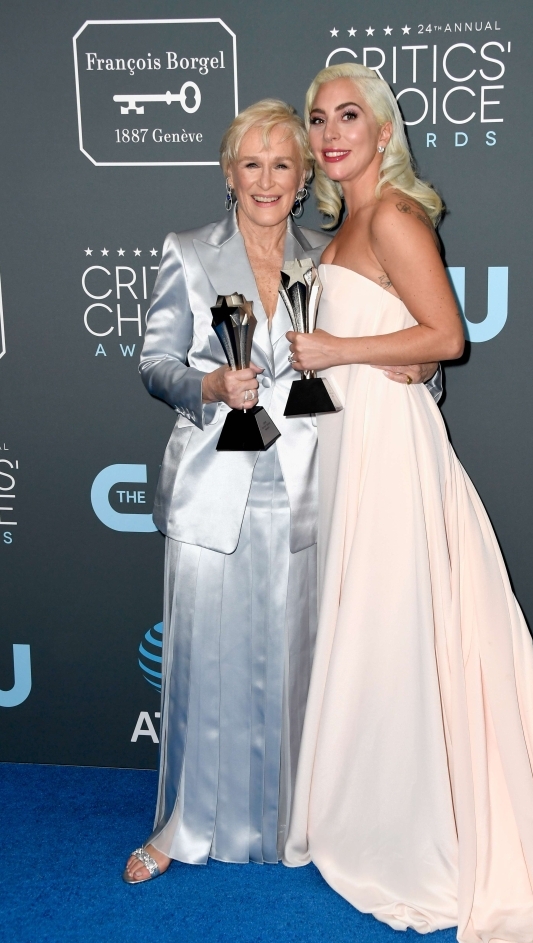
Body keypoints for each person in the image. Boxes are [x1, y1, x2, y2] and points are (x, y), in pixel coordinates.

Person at [283, 64, 533, 943]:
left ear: (382, 131)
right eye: (318, 119)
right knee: (380, 638)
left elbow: (445, 337)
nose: (332, 132)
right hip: (353, 449)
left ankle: (410, 831)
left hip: (393, 458)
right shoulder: (336, 226)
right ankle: (370, 809)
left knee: (404, 633)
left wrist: (340, 349)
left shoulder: (394, 218)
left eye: (350, 116)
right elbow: (404, 345)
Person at [123, 99, 441, 882]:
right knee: (201, 665)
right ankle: (181, 826)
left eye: (282, 164)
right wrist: (205, 383)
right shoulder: (188, 251)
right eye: (251, 163)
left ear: (303, 180)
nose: (266, 180)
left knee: (303, 666)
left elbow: (383, 344)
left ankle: (302, 821)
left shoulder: (327, 258)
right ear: (228, 175)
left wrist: (423, 369)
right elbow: (154, 361)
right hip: (214, 489)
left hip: (310, 486)